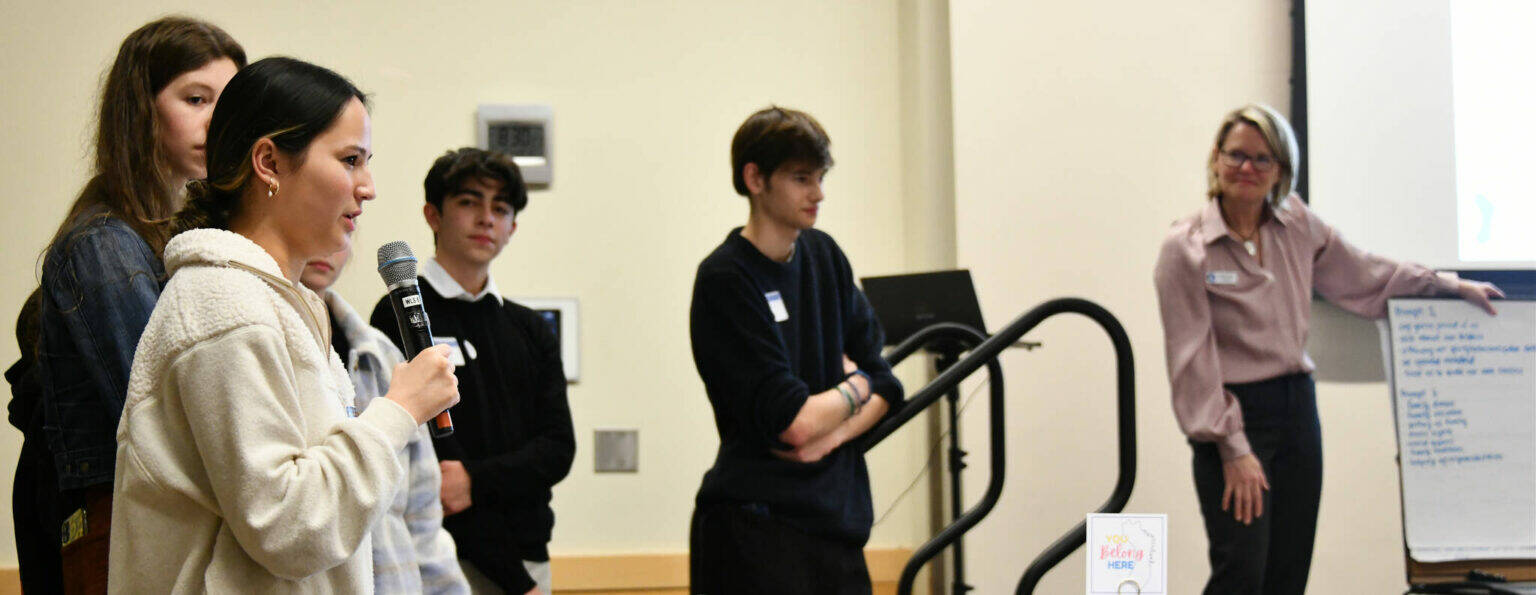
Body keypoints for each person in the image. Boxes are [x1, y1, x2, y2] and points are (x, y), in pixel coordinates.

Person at [109, 57, 460, 592]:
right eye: (350, 160)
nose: (367, 187)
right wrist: (399, 411)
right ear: (269, 162)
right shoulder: (225, 305)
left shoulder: (278, 302)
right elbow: (289, 528)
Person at [1153, 104, 1503, 594]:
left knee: (1288, 574)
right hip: (1233, 418)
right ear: (1216, 157)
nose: (1247, 168)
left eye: (1262, 159)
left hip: (1297, 411)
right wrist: (1234, 448)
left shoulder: (1296, 223)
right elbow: (1191, 361)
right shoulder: (1185, 248)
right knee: (1242, 574)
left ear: (1281, 169)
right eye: (1236, 155)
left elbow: (1366, 275)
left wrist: (1446, 285)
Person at [9, 17, 243, 593]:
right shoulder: (105, 245)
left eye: (229, 101)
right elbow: (162, 423)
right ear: (140, 109)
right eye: (196, 99)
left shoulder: (180, 236)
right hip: (121, 530)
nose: (217, 121)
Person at [687, 106, 905, 594]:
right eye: (801, 178)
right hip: (756, 529)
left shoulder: (824, 256)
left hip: (837, 526)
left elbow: (889, 384)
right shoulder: (726, 279)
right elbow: (795, 424)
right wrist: (856, 387)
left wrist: (832, 434)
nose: (818, 193)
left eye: (821, 177)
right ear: (755, 179)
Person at [370, 148, 574, 595]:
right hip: (439, 558)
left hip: (531, 556)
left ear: (512, 227)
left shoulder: (530, 328)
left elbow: (558, 448)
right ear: (433, 215)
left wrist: (476, 480)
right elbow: (435, 471)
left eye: (500, 208)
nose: (486, 218)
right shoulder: (400, 315)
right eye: (468, 201)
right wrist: (517, 583)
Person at [299, 244, 471, 594]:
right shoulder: (273, 341)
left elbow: (422, 514)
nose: (326, 247)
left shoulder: (379, 352)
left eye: (346, 223)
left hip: (395, 578)